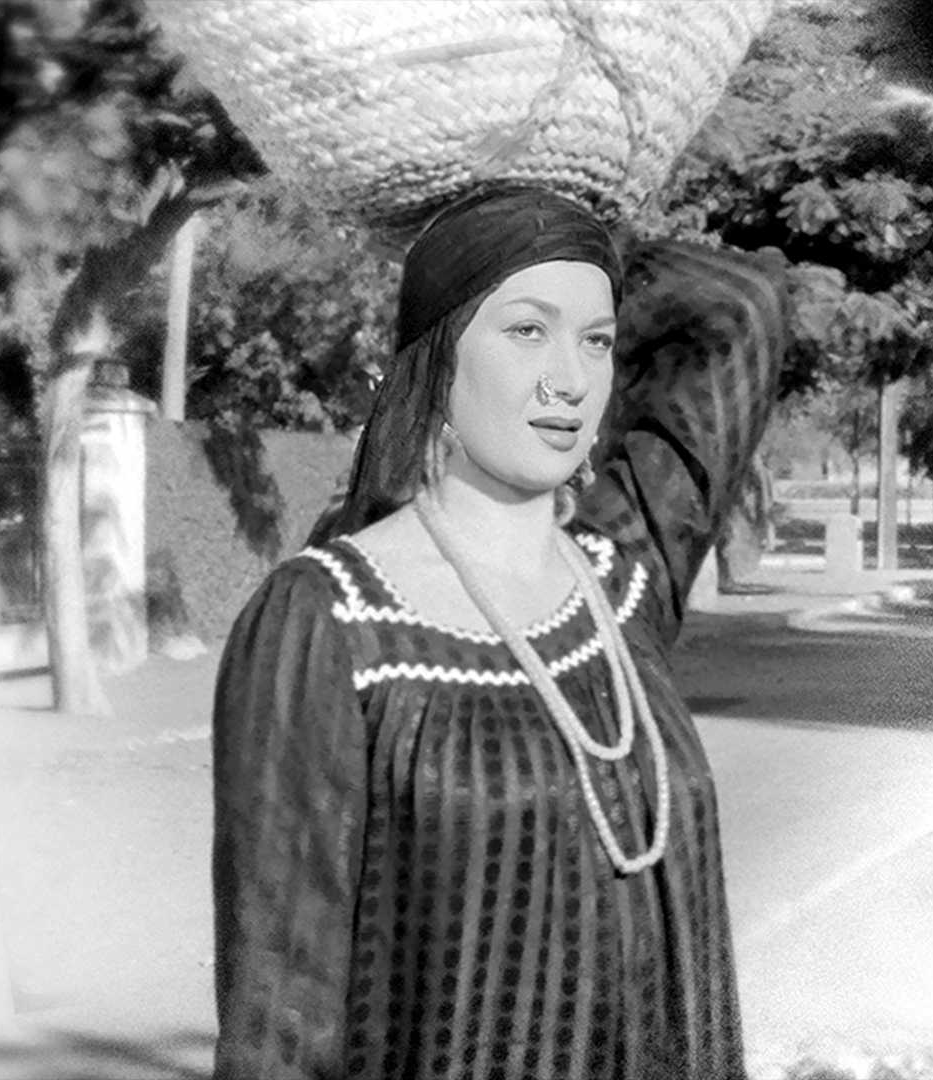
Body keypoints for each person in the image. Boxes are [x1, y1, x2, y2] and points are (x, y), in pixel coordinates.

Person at [210, 186, 786, 1079]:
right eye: (526, 331)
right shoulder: (329, 619)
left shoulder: (623, 579)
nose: (570, 380)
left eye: (596, 341)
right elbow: (282, 1017)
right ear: (439, 357)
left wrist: (573, 221)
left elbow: (739, 309)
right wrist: (490, 236)